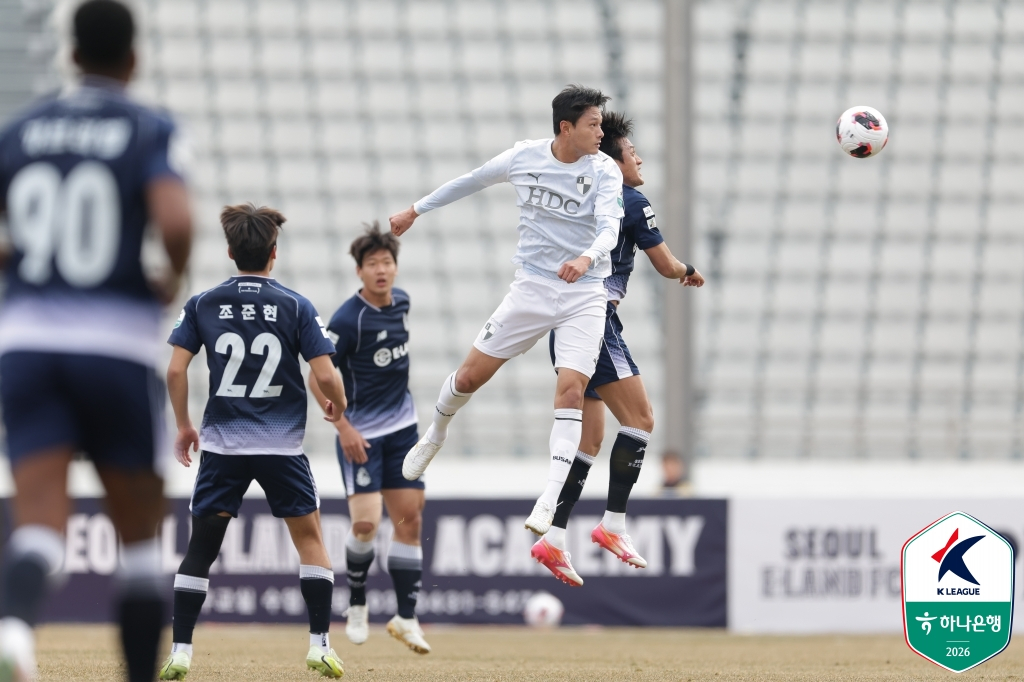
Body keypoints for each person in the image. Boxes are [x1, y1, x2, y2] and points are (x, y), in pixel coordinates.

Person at [0, 1, 193, 679]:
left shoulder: (20, 130)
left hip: (26, 344)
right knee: (138, 543)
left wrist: (21, 262)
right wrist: (170, 276)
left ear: (72, 55)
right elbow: (175, 220)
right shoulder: (149, 126)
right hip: (114, 342)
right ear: (133, 58)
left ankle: (14, 630)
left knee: (37, 524)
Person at [389, 84, 624, 539]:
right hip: (532, 288)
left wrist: (587, 259)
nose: (601, 133)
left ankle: (549, 497)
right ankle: (435, 434)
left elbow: (610, 229)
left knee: (571, 392)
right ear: (566, 127)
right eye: (593, 124)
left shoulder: (604, 171)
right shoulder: (524, 157)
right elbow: (470, 180)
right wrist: (415, 210)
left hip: (584, 293)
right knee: (467, 378)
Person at [159, 204, 347, 679]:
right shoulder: (296, 305)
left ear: (229, 251)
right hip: (282, 449)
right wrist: (339, 406)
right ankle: (320, 646)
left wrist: (183, 425)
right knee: (310, 540)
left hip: (222, 447)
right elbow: (326, 374)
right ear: (273, 252)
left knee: (201, 549)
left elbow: (176, 371)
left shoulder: (202, 303)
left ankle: (180, 651)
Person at [533, 112, 705, 586]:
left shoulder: (585, 194)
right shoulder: (630, 200)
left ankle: (554, 537)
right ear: (614, 161)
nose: (639, 159)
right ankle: (613, 524)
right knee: (641, 419)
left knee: (589, 440)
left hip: (564, 321)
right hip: (596, 321)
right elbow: (666, 265)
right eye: (632, 152)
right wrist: (688, 269)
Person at [308, 223, 429, 654]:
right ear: (359, 271)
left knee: (410, 520)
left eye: (387, 262)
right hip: (361, 436)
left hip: (403, 430)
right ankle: (357, 602)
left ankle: (406, 617)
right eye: (372, 264)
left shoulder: (402, 302)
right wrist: (343, 427)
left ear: (395, 267)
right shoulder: (348, 319)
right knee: (365, 524)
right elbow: (316, 377)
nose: (381, 270)